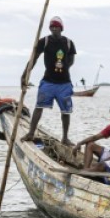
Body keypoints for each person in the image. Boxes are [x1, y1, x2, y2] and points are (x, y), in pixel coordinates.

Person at [21, 16, 76, 144]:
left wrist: (64, 66)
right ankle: (30, 133)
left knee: (66, 111)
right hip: (48, 82)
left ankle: (65, 138)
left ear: (61, 28)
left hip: (64, 83)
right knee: (39, 106)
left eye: (57, 26)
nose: (54, 29)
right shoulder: (44, 41)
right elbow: (33, 59)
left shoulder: (68, 42)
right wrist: (24, 75)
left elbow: (71, 60)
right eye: (52, 26)